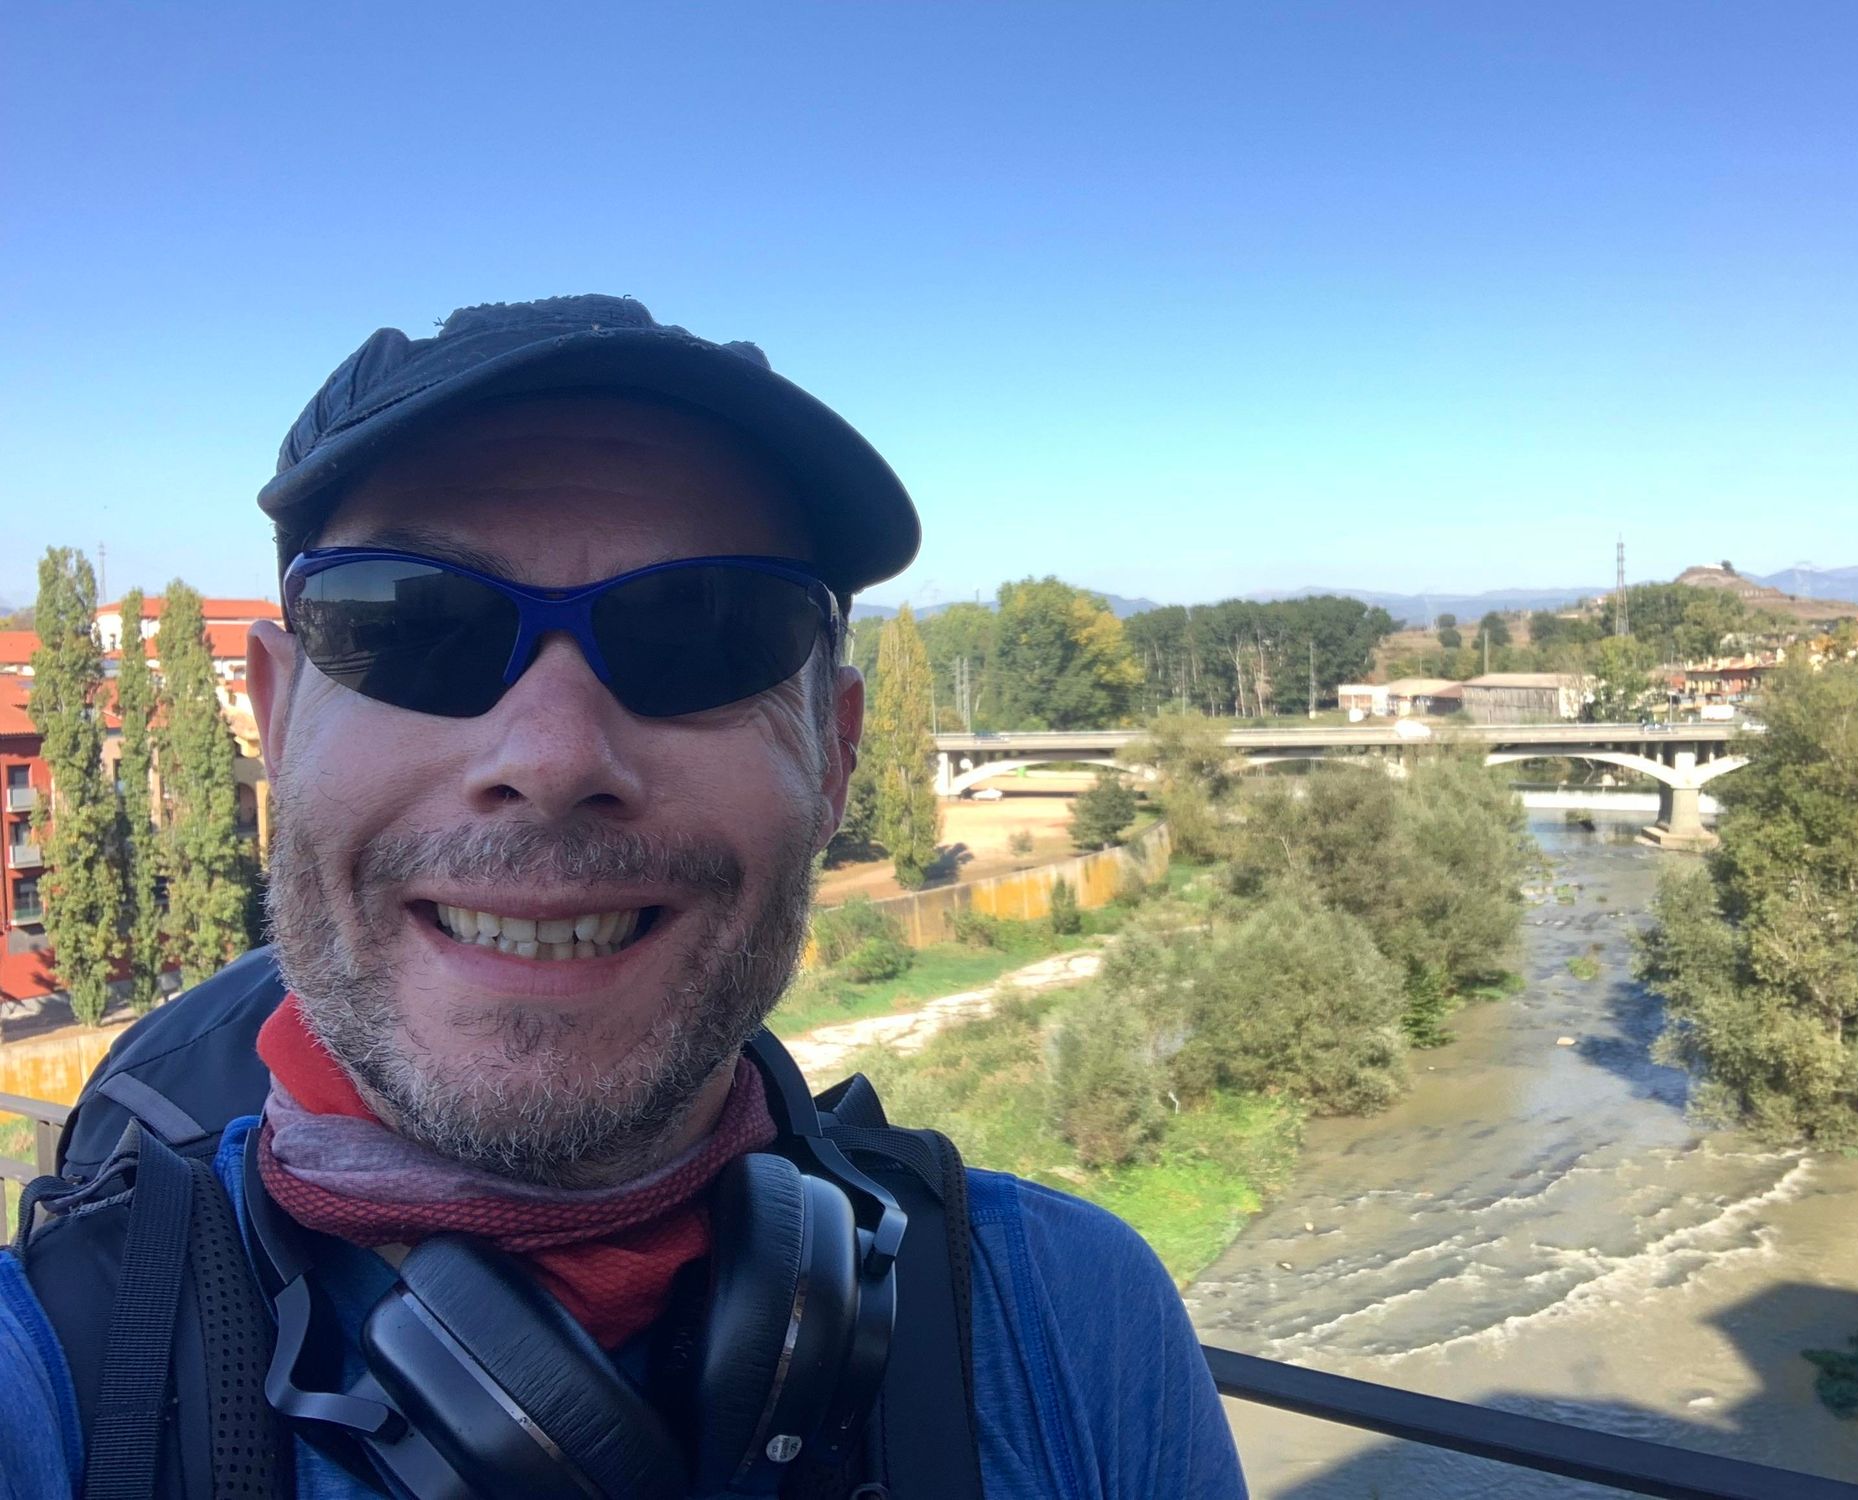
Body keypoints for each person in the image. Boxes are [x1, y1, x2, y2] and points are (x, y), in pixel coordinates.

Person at [0, 295, 1245, 1499]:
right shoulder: (45, 1381)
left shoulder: (1071, 1326)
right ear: (274, 722)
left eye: (705, 632)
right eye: (414, 623)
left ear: (836, 757)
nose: (550, 760)